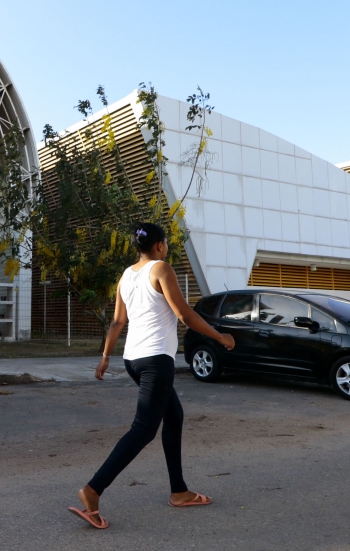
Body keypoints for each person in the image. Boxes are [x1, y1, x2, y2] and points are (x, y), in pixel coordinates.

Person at [68, 222, 236, 530]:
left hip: (133, 359)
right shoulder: (161, 269)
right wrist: (219, 336)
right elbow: (184, 314)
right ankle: (93, 490)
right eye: (167, 243)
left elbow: (118, 321)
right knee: (143, 430)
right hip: (156, 360)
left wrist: (106, 357)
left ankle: (179, 491)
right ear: (159, 246)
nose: (167, 247)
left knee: (173, 416)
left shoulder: (127, 275)